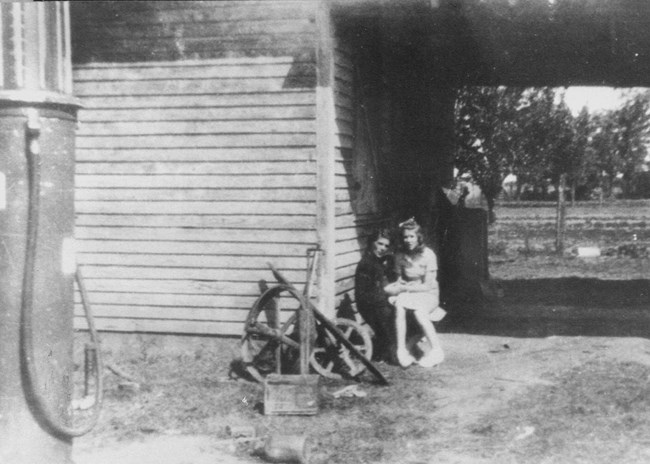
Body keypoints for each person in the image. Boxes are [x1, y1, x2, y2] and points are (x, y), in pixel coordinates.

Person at [385, 218, 445, 368]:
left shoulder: (428, 255)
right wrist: (400, 286)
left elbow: (427, 286)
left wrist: (406, 288)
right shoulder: (400, 255)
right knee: (399, 304)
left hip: (429, 294)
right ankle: (401, 350)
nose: (408, 240)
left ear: (419, 237)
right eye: (405, 237)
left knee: (419, 313)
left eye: (412, 236)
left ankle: (437, 350)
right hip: (411, 293)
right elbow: (400, 279)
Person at [354, 228, 397, 364]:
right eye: (380, 244)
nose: (383, 248)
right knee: (392, 315)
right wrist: (387, 298)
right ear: (372, 243)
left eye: (386, 245)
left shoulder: (378, 260)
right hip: (368, 305)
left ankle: (389, 349)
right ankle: (390, 352)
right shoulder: (366, 263)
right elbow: (364, 293)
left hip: (377, 302)